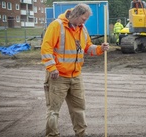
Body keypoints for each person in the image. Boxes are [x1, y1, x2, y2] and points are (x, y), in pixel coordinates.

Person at [41, 3, 109, 137]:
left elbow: (88, 47)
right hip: (57, 76)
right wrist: (52, 68)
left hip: (76, 76)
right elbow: (46, 48)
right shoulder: (57, 25)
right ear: (76, 14)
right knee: (53, 111)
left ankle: (81, 134)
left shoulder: (82, 29)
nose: (85, 21)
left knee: (79, 109)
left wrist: (100, 48)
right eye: (84, 19)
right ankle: (52, 135)